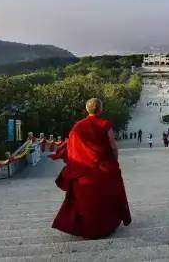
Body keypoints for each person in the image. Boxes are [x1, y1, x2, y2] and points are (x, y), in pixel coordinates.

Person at [50, 98, 131, 239]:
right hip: (104, 169)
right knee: (107, 198)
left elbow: (71, 147)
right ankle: (106, 226)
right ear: (100, 109)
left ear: (88, 110)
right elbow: (113, 146)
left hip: (83, 172)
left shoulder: (77, 126)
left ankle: (85, 228)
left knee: (84, 202)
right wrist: (114, 162)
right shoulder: (105, 124)